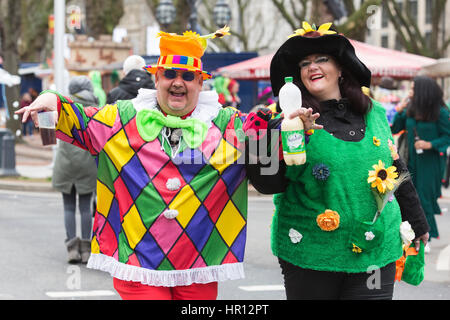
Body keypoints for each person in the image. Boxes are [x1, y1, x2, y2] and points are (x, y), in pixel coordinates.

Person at [16, 28, 321, 300]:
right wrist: (50, 99)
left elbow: (267, 137)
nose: (179, 82)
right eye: (170, 75)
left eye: (188, 76)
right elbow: (79, 118)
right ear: (157, 78)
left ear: (200, 83)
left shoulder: (225, 124)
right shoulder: (121, 119)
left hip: (198, 264)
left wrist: (294, 125)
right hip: (139, 265)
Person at [267, 21, 429, 300]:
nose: (312, 67)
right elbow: (267, 181)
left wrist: (417, 222)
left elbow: (394, 169)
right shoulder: (287, 119)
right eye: (305, 63)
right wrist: (278, 135)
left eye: (322, 59)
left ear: (340, 67)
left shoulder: (374, 112)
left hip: (375, 250)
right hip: (312, 254)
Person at [391, 76, 450, 251]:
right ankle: (410, 234)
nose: (411, 92)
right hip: (409, 159)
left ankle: (427, 236)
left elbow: (448, 136)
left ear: (424, 91)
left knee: (424, 197)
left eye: (414, 89)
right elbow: (395, 128)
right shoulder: (410, 108)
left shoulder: (441, 112)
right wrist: (400, 108)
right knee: (407, 195)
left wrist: (430, 144)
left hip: (430, 162)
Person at [52, 76, 98, 264]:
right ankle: (86, 250)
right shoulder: (96, 107)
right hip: (87, 162)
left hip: (66, 162)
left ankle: (72, 249)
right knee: (85, 207)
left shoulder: (65, 106)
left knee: (69, 207)